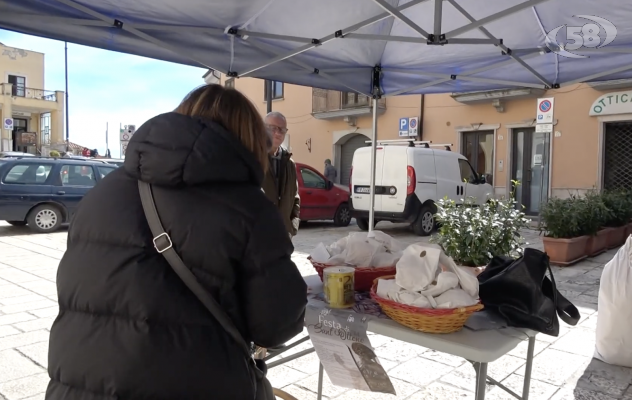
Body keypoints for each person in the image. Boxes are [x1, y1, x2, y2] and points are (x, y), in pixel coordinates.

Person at [45, 85, 307, 400]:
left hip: (77, 383)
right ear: (249, 138)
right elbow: (277, 325)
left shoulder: (102, 193)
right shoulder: (248, 207)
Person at [261, 111, 300, 237]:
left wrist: (292, 226)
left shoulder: (290, 164)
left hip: (284, 237)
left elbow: (295, 198)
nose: (277, 133)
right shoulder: (252, 158)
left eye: (282, 130)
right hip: (259, 237)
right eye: (273, 128)